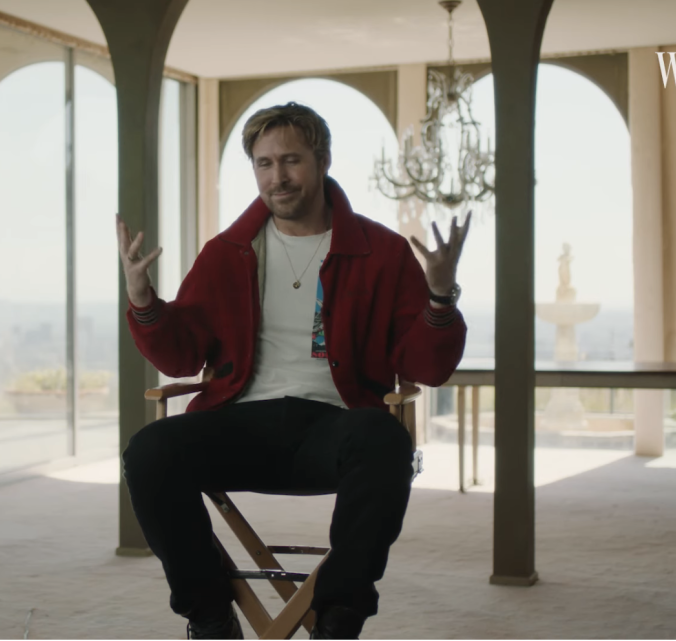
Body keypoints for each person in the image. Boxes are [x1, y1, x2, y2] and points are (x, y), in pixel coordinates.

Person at [116, 102, 470, 639]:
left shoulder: (382, 251)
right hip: (242, 422)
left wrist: (440, 296)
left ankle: (338, 618)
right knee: (148, 450)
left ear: (322, 160)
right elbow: (181, 355)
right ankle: (209, 616)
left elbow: (427, 366)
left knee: (384, 439)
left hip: (337, 425)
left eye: (291, 160)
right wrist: (143, 299)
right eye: (263, 163)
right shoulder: (226, 252)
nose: (276, 177)